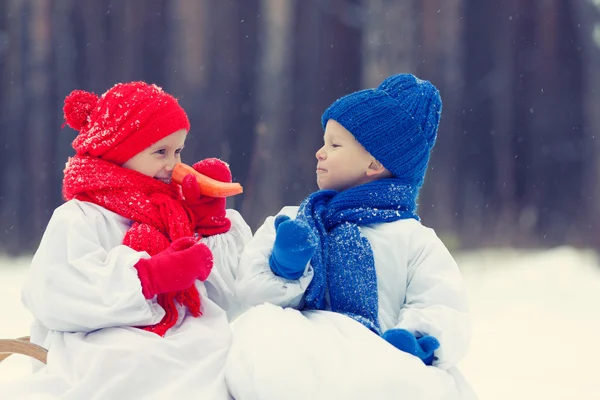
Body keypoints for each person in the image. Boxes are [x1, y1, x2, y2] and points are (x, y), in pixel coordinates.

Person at [226, 74, 477, 400]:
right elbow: (248, 290)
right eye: (323, 141)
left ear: (374, 163)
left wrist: (415, 339)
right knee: (261, 332)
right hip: (304, 354)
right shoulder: (296, 220)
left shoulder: (413, 239)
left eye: (334, 145)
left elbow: (442, 303)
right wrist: (285, 267)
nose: (319, 152)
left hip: (376, 358)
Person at [1, 82, 251, 399]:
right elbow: (57, 293)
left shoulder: (177, 213)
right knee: (136, 366)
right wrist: (151, 277)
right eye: (160, 152)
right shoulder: (80, 217)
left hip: (183, 341)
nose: (173, 164)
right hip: (100, 345)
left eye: (178, 151)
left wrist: (210, 224)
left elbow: (228, 300)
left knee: (228, 359)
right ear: (119, 151)